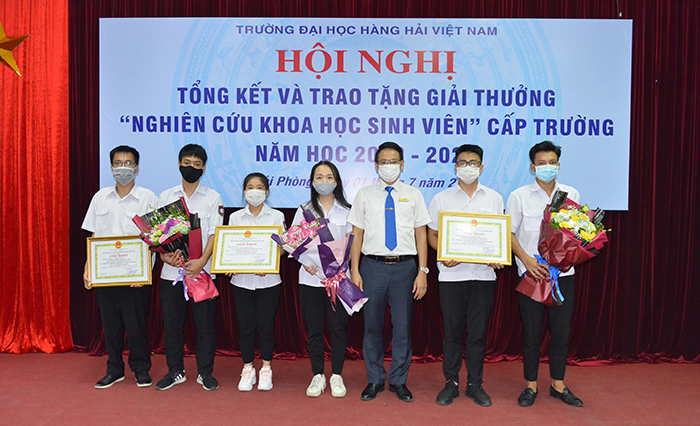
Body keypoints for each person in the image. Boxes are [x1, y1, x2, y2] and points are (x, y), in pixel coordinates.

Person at [348, 141, 431, 403]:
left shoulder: (414, 194)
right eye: (383, 162)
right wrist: (354, 270)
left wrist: (423, 271)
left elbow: (421, 234)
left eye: (393, 161)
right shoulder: (364, 194)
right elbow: (356, 234)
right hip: (371, 267)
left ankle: (398, 380)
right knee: (372, 326)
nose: (388, 166)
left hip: (406, 267)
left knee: (402, 327)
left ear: (402, 164)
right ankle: (374, 379)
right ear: (376, 166)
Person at [506, 140, 584, 408]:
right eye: (541, 163)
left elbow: (576, 234)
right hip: (532, 275)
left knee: (561, 333)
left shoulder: (571, 194)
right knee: (532, 334)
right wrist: (526, 260)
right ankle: (530, 385)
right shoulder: (518, 196)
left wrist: (567, 257)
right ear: (532, 167)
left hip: (563, 276)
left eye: (552, 162)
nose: (547, 167)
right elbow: (508, 233)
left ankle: (558, 384)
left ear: (558, 165)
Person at [427, 144, 504, 406]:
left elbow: (498, 235)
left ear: (481, 167)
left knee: (478, 334)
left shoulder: (494, 198)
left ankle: (474, 384)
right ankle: (451, 382)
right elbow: (432, 235)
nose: (468, 167)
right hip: (452, 276)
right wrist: (443, 252)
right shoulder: (441, 199)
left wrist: (497, 256)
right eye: (463, 162)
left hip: (483, 276)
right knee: (451, 333)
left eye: (473, 163)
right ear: (455, 166)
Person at [82, 145, 158, 389]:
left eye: (128, 163)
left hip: (135, 275)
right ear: (111, 167)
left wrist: (144, 272)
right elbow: (94, 235)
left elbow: (155, 239)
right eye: (118, 163)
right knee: (110, 325)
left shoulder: (148, 198)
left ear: (136, 168)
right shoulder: (100, 197)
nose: (123, 167)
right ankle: (114, 369)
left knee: (136, 325)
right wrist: (88, 268)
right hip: (105, 274)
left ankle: (141, 368)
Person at [156, 143, 223, 391]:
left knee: (205, 326)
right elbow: (158, 235)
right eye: (187, 163)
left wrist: (202, 261)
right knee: (172, 326)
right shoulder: (166, 196)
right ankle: (175, 371)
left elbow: (215, 234)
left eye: (196, 164)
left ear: (203, 168)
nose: (191, 168)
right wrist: (165, 257)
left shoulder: (213, 197)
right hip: (172, 273)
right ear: (179, 164)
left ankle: (205, 372)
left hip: (202, 273)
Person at [292, 161, 353, 398]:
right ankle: (317, 374)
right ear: (312, 181)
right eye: (319, 177)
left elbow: (353, 242)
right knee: (314, 329)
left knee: (338, 328)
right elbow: (293, 242)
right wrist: (303, 261)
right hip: (310, 278)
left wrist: (342, 266)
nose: (324, 182)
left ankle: (336, 375)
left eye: (329, 177)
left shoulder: (347, 210)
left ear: (336, 181)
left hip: (338, 279)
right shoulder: (304, 210)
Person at [227, 173, 285, 392]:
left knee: (266, 326)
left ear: (267, 192)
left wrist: (270, 263)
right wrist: (229, 263)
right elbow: (229, 246)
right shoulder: (235, 217)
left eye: (259, 187)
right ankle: (248, 368)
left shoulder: (277, 216)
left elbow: (282, 247)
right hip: (241, 281)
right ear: (244, 192)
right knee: (245, 327)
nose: (255, 191)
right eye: (250, 187)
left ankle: (266, 368)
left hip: (269, 281)